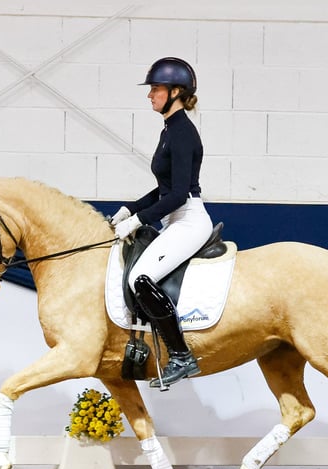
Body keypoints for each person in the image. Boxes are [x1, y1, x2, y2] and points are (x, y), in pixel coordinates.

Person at [110, 57, 213, 388]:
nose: (150, 95)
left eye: (156, 88)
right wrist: (131, 208)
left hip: (190, 219)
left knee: (141, 278)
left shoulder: (183, 133)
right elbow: (164, 189)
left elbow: (179, 195)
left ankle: (181, 356)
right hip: (176, 219)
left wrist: (139, 220)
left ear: (176, 92)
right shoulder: (170, 130)